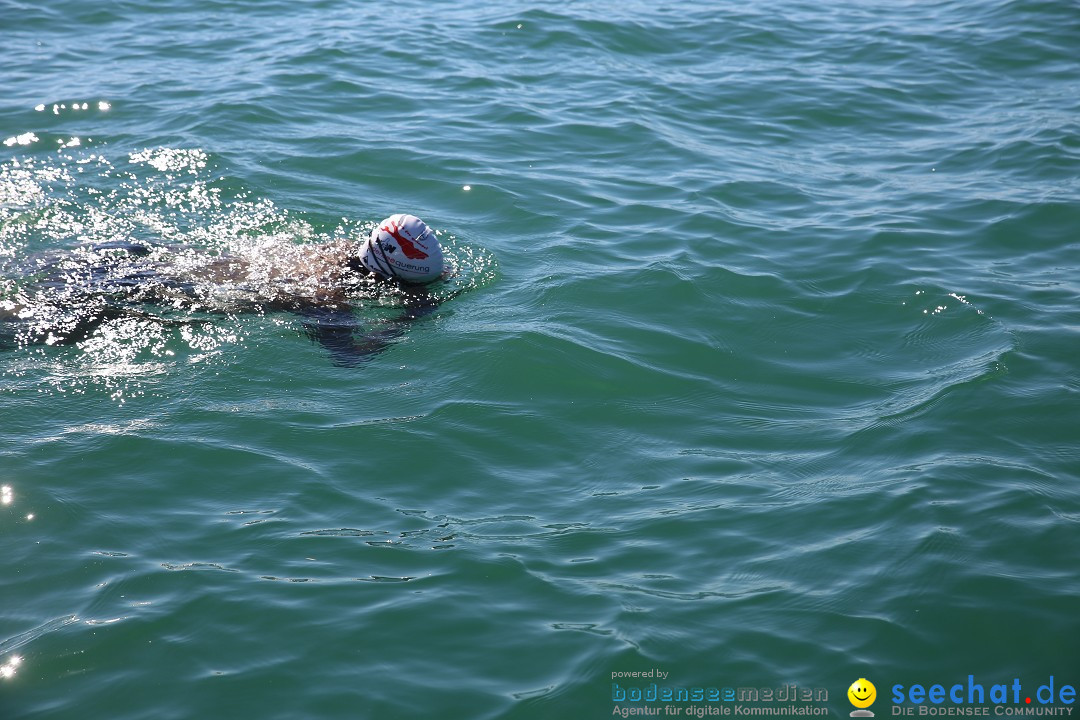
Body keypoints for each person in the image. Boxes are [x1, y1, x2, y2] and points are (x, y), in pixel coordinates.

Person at [0, 214, 449, 365]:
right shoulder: (325, 294)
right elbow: (350, 358)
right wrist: (407, 320)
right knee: (37, 319)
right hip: (150, 285)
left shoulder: (339, 250)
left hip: (144, 256)